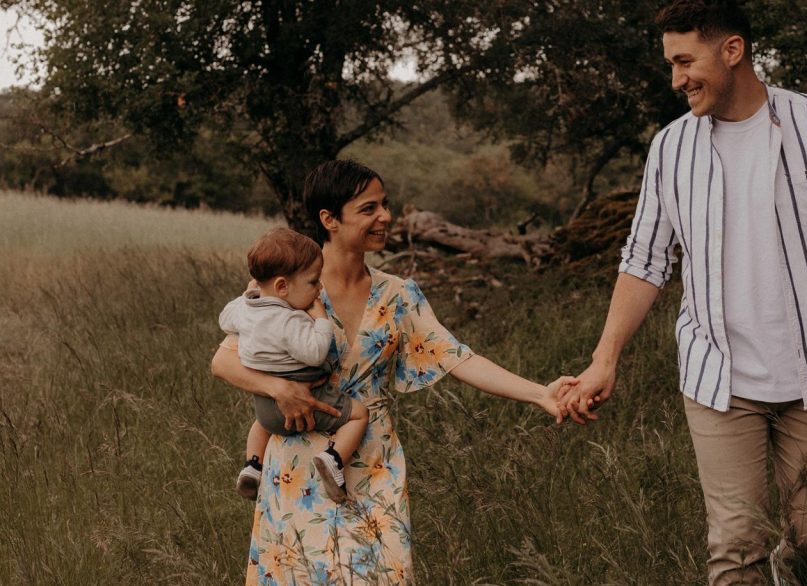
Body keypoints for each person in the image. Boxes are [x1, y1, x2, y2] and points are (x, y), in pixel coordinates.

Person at [560, 0, 807, 585]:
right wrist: (603, 358)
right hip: (717, 379)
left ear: (733, 50)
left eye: (685, 61)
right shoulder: (671, 148)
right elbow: (644, 261)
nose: (676, 80)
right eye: (671, 64)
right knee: (734, 549)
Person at [211, 159, 575, 585]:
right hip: (296, 460)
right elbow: (223, 361)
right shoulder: (286, 283)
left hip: (372, 461)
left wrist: (540, 394)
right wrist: (278, 388)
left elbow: (459, 357)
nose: (385, 216)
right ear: (329, 219)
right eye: (369, 208)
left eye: (385, 205)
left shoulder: (398, 295)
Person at [218, 227, 369, 503]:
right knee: (359, 415)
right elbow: (313, 353)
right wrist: (321, 319)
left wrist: (247, 296)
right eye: (313, 283)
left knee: (260, 425)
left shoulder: (244, 310)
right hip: (311, 395)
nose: (318, 289)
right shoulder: (290, 320)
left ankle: (252, 465)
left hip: (266, 408)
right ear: (282, 287)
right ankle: (333, 459)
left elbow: (224, 320)